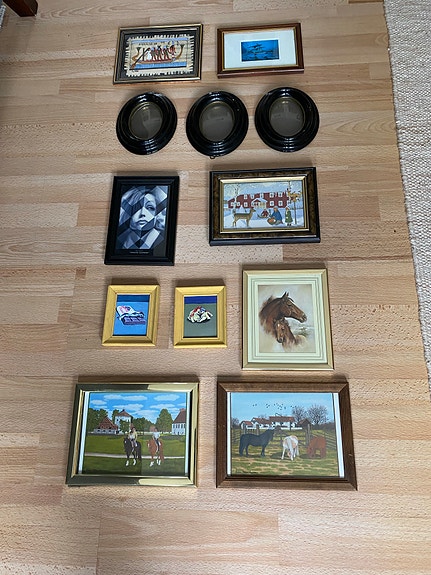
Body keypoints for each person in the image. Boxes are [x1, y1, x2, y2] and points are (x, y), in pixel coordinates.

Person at [116, 185, 167, 251]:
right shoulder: (120, 241)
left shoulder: (163, 241)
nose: (143, 213)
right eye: (137, 207)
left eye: (150, 208)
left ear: (157, 214)